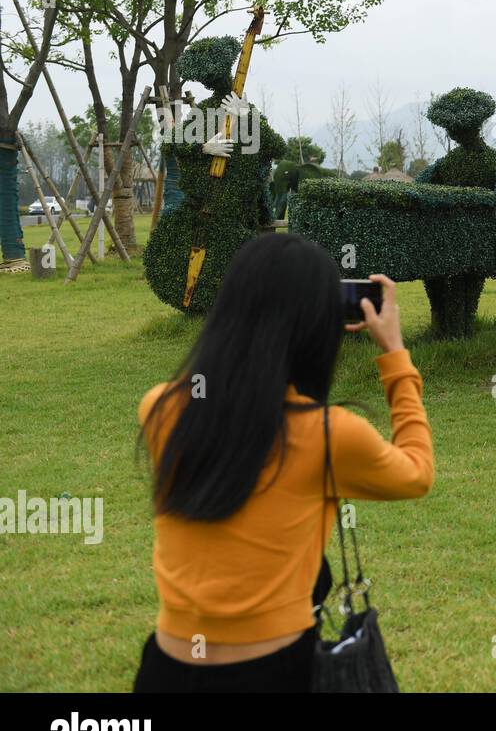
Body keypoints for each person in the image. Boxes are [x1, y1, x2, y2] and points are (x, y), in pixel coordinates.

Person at [134, 232, 433, 692]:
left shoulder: (159, 409)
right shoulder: (330, 435)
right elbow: (416, 473)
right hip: (274, 672)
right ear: (318, 326)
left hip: (165, 671)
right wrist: (394, 354)